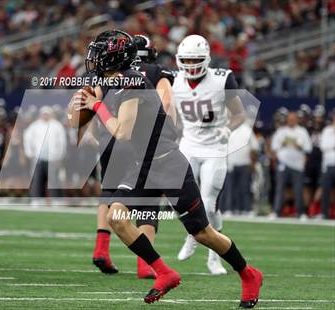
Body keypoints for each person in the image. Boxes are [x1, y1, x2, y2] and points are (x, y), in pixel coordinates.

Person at [75, 29, 262, 307]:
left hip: (167, 163)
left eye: (99, 53)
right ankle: (165, 273)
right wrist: (85, 107)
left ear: (113, 58)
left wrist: (98, 105)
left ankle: (248, 274)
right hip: (141, 165)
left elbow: (122, 132)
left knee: (202, 233)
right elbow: (84, 121)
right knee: (117, 218)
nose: (93, 58)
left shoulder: (133, 83)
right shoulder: (115, 81)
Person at [91, 34, 176, 279]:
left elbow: (89, 102)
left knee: (109, 192)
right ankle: (144, 263)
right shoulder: (154, 71)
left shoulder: (106, 72)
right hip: (140, 141)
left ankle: (102, 249)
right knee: (148, 199)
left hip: (111, 136)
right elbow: (166, 101)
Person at [173, 35, 245, 275]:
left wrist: (228, 128)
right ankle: (193, 234)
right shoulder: (174, 81)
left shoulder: (221, 79)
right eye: (187, 59)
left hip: (214, 148)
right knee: (180, 200)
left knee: (209, 205)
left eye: (196, 59)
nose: (191, 64)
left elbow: (239, 114)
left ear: (206, 59)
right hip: (188, 146)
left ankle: (213, 257)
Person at [271, 112, 312, 219]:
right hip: (283, 164)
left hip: (298, 165)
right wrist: (282, 144)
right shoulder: (281, 131)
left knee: (298, 189)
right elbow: (274, 147)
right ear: (287, 120)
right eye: (290, 119)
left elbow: (309, 148)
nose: (291, 121)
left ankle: (300, 212)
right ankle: (276, 211)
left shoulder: (302, 131)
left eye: (294, 119)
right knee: (280, 188)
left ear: (297, 120)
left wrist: (299, 146)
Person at [23, 106, 67, 204]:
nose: (45, 116)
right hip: (38, 158)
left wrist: (60, 156)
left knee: (54, 180)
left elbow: (62, 142)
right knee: (37, 179)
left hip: (53, 158)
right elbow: (27, 138)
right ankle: (36, 200)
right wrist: (29, 152)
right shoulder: (35, 125)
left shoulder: (57, 125)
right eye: (44, 114)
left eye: (47, 114)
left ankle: (56, 200)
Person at [319, 110, 335, 219]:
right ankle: (324, 213)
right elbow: (323, 146)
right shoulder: (326, 130)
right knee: (325, 190)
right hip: (328, 165)